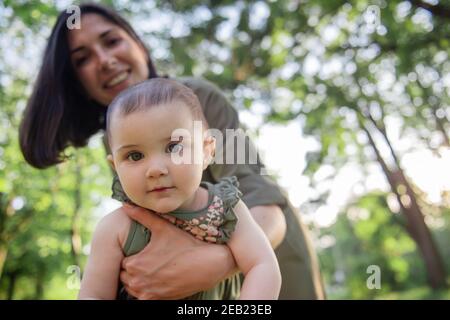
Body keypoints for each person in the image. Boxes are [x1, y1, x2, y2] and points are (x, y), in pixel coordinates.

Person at [19, 3, 325, 299]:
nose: (105, 60)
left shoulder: (199, 98)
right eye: (82, 59)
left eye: (111, 41)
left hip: (269, 263)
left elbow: (266, 208)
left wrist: (208, 265)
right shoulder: (111, 143)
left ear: (139, 44)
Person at [78, 78, 281, 300]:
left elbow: (262, 265)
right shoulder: (115, 229)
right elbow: (93, 296)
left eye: (173, 147)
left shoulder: (225, 210)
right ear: (115, 167)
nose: (155, 169)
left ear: (206, 150)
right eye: (135, 155)